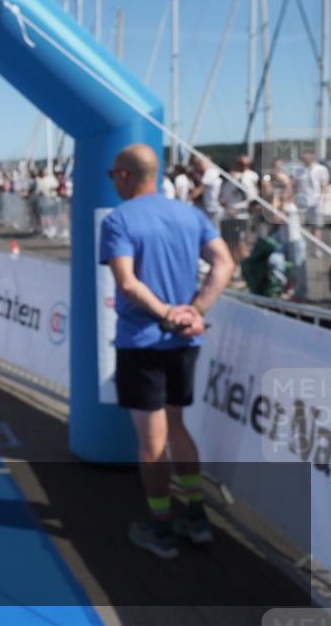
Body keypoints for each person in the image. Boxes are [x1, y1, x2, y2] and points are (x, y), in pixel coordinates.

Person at [100, 144, 235, 559]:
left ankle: (161, 528)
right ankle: (196, 517)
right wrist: (194, 311)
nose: (112, 181)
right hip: (184, 342)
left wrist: (168, 314)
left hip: (144, 342)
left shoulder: (119, 219)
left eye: (112, 174)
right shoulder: (189, 214)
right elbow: (224, 263)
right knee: (177, 427)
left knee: (152, 441)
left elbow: (127, 282)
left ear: (125, 175)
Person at [294, 150, 329, 244]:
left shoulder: (321, 169)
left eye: (307, 155)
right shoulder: (298, 169)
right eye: (304, 155)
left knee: (316, 227)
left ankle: (317, 248)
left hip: (316, 202)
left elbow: (324, 186)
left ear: (312, 156)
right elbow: (295, 186)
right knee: (301, 226)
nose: (304, 157)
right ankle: (303, 247)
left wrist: (323, 201)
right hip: (302, 202)